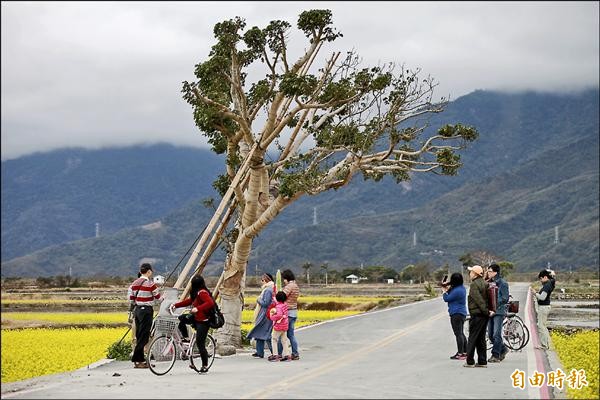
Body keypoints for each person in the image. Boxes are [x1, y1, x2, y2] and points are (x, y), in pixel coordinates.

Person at [170, 275, 215, 373]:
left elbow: (210, 303)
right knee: (181, 319)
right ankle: (186, 338)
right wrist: (176, 305)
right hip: (195, 317)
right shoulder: (196, 293)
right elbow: (189, 301)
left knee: (200, 343)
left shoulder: (202, 292)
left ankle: (205, 365)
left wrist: (198, 308)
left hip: (204, 321)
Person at [128, 263, 162, 369]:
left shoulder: (134, 283)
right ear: (149, 272)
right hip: (147, 311)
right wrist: (163, 296)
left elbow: (131, 299)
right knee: (144, 336)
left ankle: (140, 360)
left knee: (139, 335)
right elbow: (158, 298)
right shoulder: (150, 284)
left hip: (137, 311)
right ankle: (138, 359)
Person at [464, 265, 490, 368]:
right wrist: (487, 312)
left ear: (475, 274)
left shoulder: (474, 284)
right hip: (484, 315)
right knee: (481, 339)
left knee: (473, 338)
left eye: (471, 272)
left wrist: (485, 311)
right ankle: (482, 361)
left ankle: (470, 361)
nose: (470, 274)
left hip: (477, 314)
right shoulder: (485, 283)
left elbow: (478, 300)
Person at [247, 273, 275, 359]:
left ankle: (275, 352)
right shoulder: (271, 289)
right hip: (266, 314)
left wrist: (258, 300)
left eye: (262, 280)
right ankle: (260, 352)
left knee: (266, 334)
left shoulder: (267, 290)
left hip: (265, 315)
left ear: (266, 280)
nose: (261, 282)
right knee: (259, 333)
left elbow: (266, 303)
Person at [486, 263, 510, 362]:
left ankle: (495, 355)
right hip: (489, 311)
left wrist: (494, 305)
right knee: (491, 335)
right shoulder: (489, 282)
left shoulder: (503, 283)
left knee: (496, 334)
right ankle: (503, 349)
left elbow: (505, 298)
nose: (488, 273)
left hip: (498, 311)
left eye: (490, 271)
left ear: (495, 272)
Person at [441, 273, 468, 360]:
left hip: (456, 313)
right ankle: (465, 352)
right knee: (461, 333)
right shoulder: (461, 288)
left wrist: (444, 291)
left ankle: (460, 353)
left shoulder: (457, 290)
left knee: (458, 334)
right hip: (461, 313)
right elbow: (451, 292)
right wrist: (446, 287)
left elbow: (446, 299)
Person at [532, 269, 556, 350]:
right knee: (543, 326)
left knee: (541, 326)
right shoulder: (550, 283)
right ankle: (546, 344)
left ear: (545, 277)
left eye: (541, 279)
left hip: (544, 307)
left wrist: (535, 293)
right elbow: (553, 277)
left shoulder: (546, 286)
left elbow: (542, 297)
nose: (541, 281)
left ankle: (544, 345)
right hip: (546, 307)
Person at [279, 269, 300, 360]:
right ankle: (295, 353)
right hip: (294, 312)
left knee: (280, 333)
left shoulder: (289, 286)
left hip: (287, 312)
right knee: (290, 334)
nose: (284, 281)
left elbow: (282, 297)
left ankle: (278, 353)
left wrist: (278, 293)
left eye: (284, 279)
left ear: (287, 278)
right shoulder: (295, 286)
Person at [268, 291, 291, 362]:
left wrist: (272, 317)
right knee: (284, 340)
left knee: (274, 339)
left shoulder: (278, 307)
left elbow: (279, 315)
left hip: (278, 326)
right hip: (285, 326)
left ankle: (275, 355)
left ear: (277, 299)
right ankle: (287, 355)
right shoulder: (285, 305)